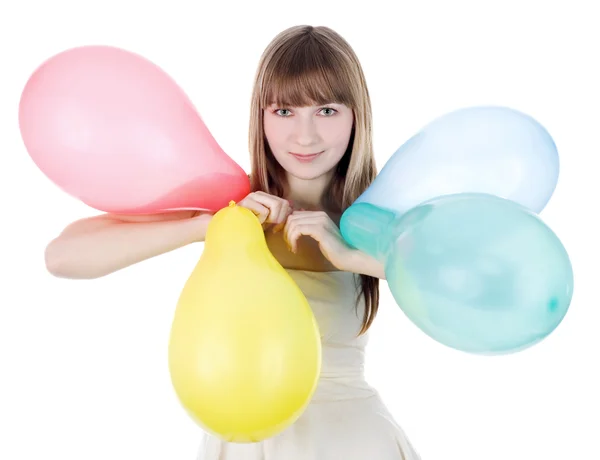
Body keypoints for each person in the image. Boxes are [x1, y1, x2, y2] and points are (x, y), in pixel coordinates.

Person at [44, 25, 420, 460]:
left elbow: (470, 278)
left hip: (352, 441)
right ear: (260, 117)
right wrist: (211, 225)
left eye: (327, 110)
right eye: (284, 112)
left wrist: (349, 254)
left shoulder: (376, 216)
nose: (305, 136)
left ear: (357, 116)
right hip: (245, 442)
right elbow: (62, 257)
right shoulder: (233, 202)